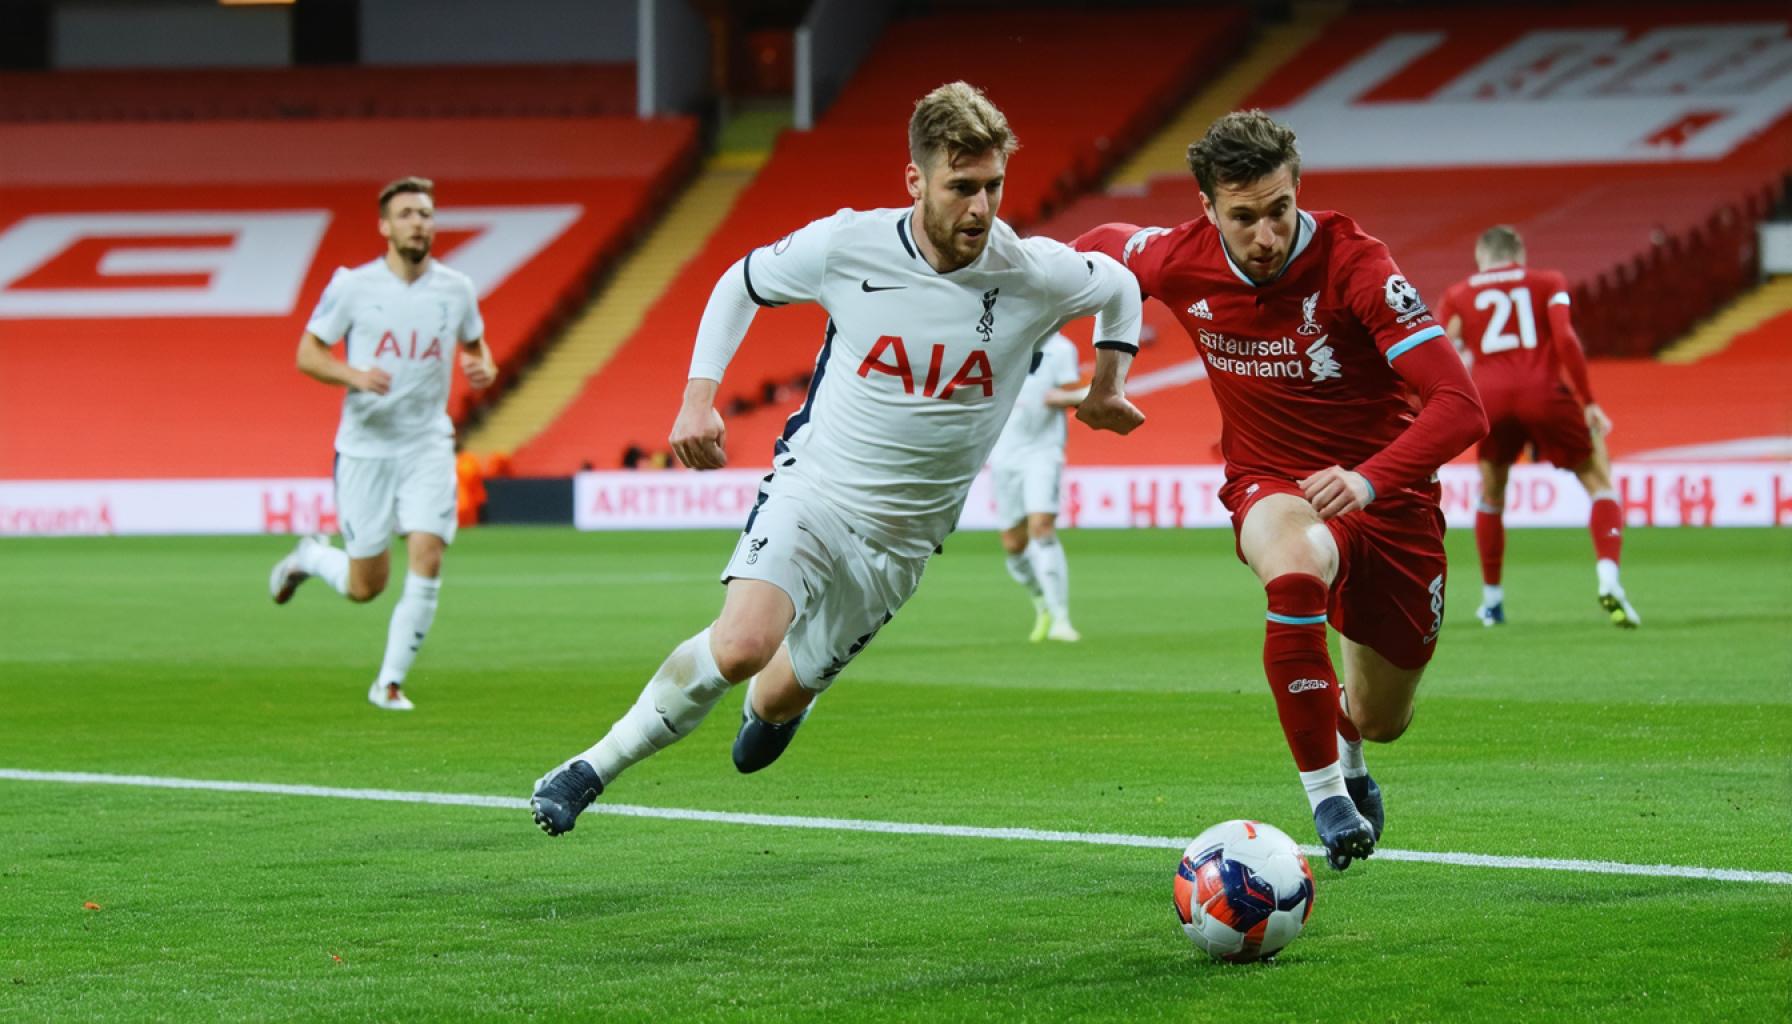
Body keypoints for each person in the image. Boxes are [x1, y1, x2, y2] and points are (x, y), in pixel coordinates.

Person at [529, 81, 1145, 836]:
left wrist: (1108, 383)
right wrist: (698, 398)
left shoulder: (1032, 273)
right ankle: (591, 767)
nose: (980, 209)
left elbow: (1121, 286)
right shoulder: (847, 245)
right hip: (816, 490)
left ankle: (795, 697)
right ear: (915, 180)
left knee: (776, 702)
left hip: (902, 544)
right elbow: (739, 283)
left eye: (993, 187)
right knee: (741, 645)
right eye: (961, 188)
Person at [1075, 110, 1487, 869]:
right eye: (1243, 218)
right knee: (1293, 559)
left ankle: (1349, 742)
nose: (1265, 236)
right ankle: (1326, 794)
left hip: (1387, 497)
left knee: (1381, 715)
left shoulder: (1357, 266)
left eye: (1279, 211)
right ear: (1207, 209)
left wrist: (1367, 480)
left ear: (1297, 191)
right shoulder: (1176, 259)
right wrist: (1106, 370)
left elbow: (1461, 406)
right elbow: (1085, 255)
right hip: (1271, 481)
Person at [267, 176, 497, 711]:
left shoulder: (456, 288)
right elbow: (308, 353)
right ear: (385, 226)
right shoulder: (353, 287)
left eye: (426, 213)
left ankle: (388, 682)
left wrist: (483, 366)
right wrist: (353, 375)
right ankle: (309, 556)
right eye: (409, 214)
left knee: (428, 553)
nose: (420, 222)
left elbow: (479, 348)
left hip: (427, 443)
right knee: (365, 584)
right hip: (366, 447)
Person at [1436, 226, 1640, 629]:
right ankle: (1610, 581)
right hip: (1544, 392)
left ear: (1481, 256)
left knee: (1492, 495)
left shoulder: (1458, 295)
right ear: (1519, 254)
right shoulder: (1549, 282)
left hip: (1489, 398)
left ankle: (1492, 603)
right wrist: (1590, 402)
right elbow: (1565, 339)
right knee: (1600, 481)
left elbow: (1441, 346)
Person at [989, 331, 1087, 642]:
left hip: (1043, 451)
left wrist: (1066, 397)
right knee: (1013, 545)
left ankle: (1061, 619)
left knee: (1042, 528)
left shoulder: (1061, 348)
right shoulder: (998, 338)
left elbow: (1079, 393)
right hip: (1004, 454)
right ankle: (1041, 600)